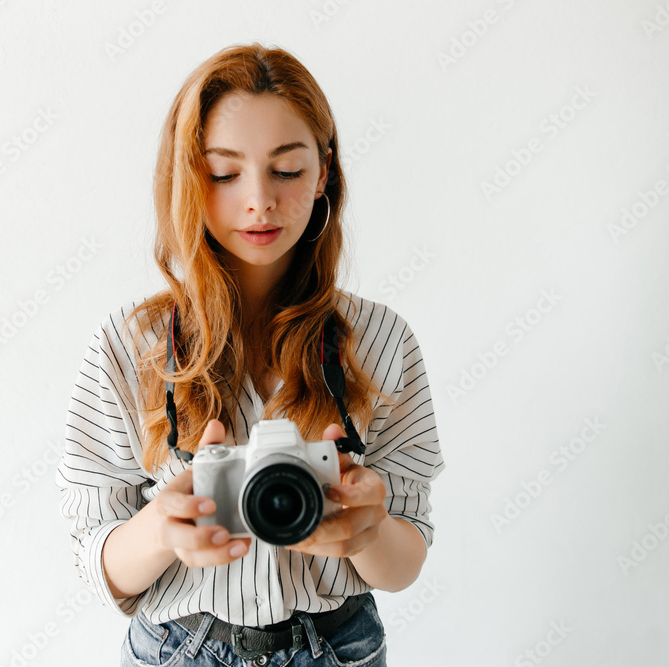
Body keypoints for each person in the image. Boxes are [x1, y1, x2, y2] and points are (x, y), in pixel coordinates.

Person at [55, 42, 444, 666]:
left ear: (325, 174)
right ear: (188, 179)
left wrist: (364, 531)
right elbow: (92, 562)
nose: (259, 199)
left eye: (287, 170)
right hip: (177, 648)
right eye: (224, 173)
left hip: (336, 645)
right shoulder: (128, 347)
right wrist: (165, 525)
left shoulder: (381, 341)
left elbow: (406, 560)